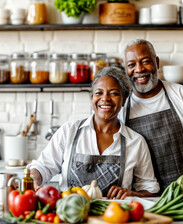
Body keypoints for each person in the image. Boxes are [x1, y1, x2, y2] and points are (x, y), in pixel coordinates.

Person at [28, 66, 160, 199]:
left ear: (124, 100)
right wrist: (34, 179)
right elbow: (42, 167)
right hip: (69, 215)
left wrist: (133, 194)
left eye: (113, 93)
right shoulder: (69, 131)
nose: (105, 98)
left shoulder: (136, 142)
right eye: (99, 93)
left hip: (113, 217)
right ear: (92, 98)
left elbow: (150, 189)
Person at [119, 39, 183, 193]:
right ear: (126, 69)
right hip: (139, 198)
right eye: (131, 65)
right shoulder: (121, 105)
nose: (139, 69)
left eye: (145, 61)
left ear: (156, 63)